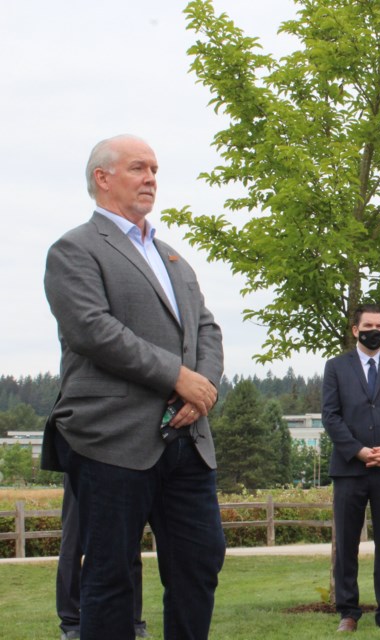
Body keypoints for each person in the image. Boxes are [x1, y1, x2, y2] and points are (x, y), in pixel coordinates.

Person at [42, 134, 226, 639]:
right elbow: (93, 330)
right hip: (112, 440)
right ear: (103, 178)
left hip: (187, 441)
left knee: (200, 562)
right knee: (110, 573)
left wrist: (202, 385)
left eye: (155, 170)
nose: (151, 179)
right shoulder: (74, 249)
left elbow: (206, 328)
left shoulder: (171, 258)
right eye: (138, 168)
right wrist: (178, 377)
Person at [321, 304, 380, 632]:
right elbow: (330, 415)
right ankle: (348, 612)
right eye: (368, 325)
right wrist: (359, 451)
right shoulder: (335, 367)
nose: (375, 330)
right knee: (347, 543)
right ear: (355, 330)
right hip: (349, 469)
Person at [56, 475, 148, 640]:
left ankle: (133, 618)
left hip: (125, 462)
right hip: (81, 461)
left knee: (130, 542)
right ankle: (71, 622)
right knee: (73, 541)